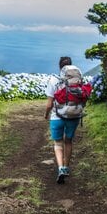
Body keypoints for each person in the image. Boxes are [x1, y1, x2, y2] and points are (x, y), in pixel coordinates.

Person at [44, 56, 81, 184]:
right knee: (68, 141)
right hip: (74, 116)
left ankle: (60, 168)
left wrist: (46, 114)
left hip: (57, 116)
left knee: (58, 143)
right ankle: (66, 167)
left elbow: (49, 104)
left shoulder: (54, 80)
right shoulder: (77, 80)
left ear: (60, 67)